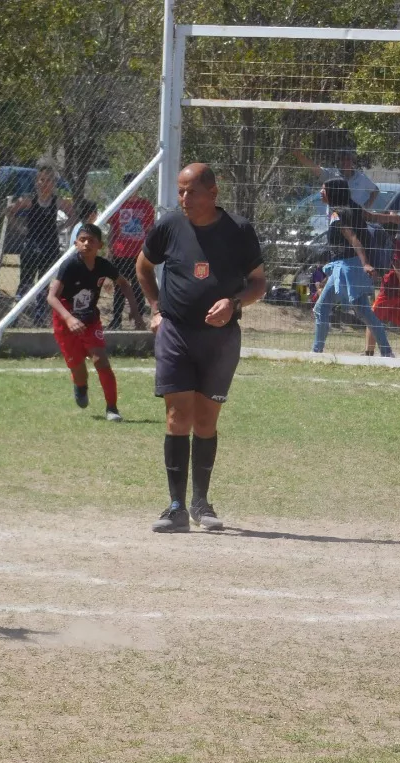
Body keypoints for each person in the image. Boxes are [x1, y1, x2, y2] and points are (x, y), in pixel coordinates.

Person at [135, 163, 265, 534]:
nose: (184, 199)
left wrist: (233, 304)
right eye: (180, 191)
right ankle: (175, 507)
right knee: (178, 417)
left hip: (221, 341)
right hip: (175, 332)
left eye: (191, 192)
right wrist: (157, 308)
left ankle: (200, 503)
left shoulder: (238, 231)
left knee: (206, 421)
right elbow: (143, 266)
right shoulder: (169, 226)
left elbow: (258, 284)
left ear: (213, 193)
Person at [46, 223, 141, 421]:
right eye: (83, 240)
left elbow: (124, 284)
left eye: (92, 241)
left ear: (100, 245)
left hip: (90, 319)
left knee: (100, 359)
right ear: (75, 243)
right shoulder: (70, 265)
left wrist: (134, 309)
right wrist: (69, 318)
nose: (87, 244)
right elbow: (52, 297)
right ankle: (81, 386)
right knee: (78, 368)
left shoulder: (103, 266)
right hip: (65, 321)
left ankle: (112, 408)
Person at [309, 179, 393, 357]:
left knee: (360, 310)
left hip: (350, 266)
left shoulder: (338, 213)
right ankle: (316, 352)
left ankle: (387, 353)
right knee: (323, 309)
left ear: (334, 192)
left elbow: (354, 239)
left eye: (324, 189)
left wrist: (365, 263)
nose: (320, 192)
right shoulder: (346, 208)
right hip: (344, 265)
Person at [7, 162, 74, 326]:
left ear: (54, 183)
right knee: (25, 283)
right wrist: (20, 228)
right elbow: (9, 212)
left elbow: (73, 215)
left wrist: (62, 228)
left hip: (49, 247)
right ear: (37, 181)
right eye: (42, 180)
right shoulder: (30, 200)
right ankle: (14, 318)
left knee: (44, 285)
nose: (45, 183)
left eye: (49, 180)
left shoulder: (57, 202)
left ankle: (39, 318)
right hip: (31, 245)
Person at [108, 175, 155, 331]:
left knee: (138, 287)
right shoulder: (119, 205)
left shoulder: (145, 206)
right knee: (120, 288)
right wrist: (110, 250)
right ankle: (116, 320)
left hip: (138, 254)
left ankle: (138, 319)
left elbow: (148, 230)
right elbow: (113, 230)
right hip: (120, 253)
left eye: (135, 185)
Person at [367, 232, 400, 359]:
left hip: (390, 290)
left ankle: (368, 353)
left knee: (371, 319)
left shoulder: (389, 245)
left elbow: (398, 266)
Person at [294, 146, 379, 209]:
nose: (346, 162)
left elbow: (375, 190)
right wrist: (299, 155)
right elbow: (316, 169)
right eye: (342, 159)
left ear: (352, 161)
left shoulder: (361, 177)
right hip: (336, 220)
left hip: (356, 220)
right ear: (338, 161)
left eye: (348, 159)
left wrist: (365, 207)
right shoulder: (332, 174)